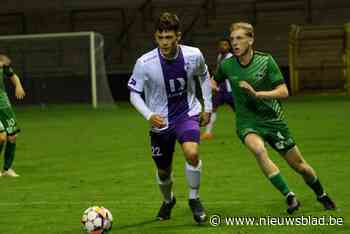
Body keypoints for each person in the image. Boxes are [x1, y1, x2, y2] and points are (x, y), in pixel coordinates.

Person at [213, 22, 336, 214]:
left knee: (300, 166)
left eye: (240, 38)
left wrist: (257, 94)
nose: (234, 43)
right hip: (247, 122)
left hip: (272, 120)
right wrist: (210, 87)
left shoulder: (266, 61)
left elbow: (284, 91)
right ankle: (290, 196)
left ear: (251, 39)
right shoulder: (227, 65)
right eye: (232, 39)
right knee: (259, 150)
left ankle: (321, 194)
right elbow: (215, 80)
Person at [127, 12, 212, 223]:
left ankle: (194, 199)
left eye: (169, 37)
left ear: (178, 37)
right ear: (156, 37)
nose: (164, 42)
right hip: (161, 122)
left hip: (187, 114)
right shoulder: (144, 62)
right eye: (160, 37)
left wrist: (207, 106)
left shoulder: (194, 55)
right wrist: (149, 114)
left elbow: (203, 76)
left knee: (192, 154)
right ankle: (168, 200)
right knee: (163, 171)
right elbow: (134, 94)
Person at [201, 38, 235, 140]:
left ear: (229, 46)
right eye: (221, 45)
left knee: (240, 111)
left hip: (230, 89)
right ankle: (207, 133)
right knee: (212, 109)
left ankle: (252, 130)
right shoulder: (220, 56)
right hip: (220, 89)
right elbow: (218, 71)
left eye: (225, 45)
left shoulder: (231, 57)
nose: (222, 47)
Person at [0, 54, 25, 177]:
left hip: (4, 104)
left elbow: (12, 75)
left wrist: (18, 85)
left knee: (13, 136)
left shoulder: (2, 62)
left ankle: (7, 169)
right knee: (1, 137)